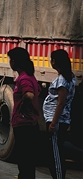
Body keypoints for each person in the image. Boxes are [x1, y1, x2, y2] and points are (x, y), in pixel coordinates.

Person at [7, 47, 41, 179]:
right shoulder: (30, 77)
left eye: (10, 60)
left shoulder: (24, 79)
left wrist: (21, 107)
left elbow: (29, 95)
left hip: (24, 124)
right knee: (28, 161)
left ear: (14, 62)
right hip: (30, 123)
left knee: (24, 160)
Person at [43, 49, 76, 179]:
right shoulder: (69, 78)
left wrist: (53, 122)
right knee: (54, 152)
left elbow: (60, 103)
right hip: (59, 119)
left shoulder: (62, 81)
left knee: (55, 155)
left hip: (57, 120)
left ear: (55, 62)